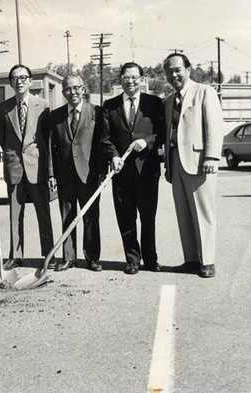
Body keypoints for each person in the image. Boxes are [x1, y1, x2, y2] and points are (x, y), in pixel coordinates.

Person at [163, 53, 223, 278]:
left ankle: (207, 261)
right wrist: (168, 165)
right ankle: (191, 259)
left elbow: (215, 126)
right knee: (184, 212)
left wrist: (211, 157)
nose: (173, 74)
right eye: (169, 71)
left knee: (203, 213)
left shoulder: (204, 92)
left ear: (188, 70)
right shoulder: (169, 101)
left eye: (178, 69)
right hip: (176, 162)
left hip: (199, 162)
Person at [101, 62, 165, 275]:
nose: (130, 81)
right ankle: (132, 260)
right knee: (126, 217)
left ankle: (151, 259)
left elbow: (162, 133)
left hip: (147, 170)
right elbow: (105, 138)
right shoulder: (109, 106)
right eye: (126, 77)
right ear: (120, 80)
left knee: (148, 217)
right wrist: (114, 156)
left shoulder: (155, 103)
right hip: (121, 173)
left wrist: (146, 141)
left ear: (142, 79)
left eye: (135, 77)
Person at [0, 64, 56, 270]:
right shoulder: (3, 108)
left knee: (43, 212)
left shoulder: (44, 105)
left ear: (31, 81)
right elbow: (3, 140)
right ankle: (15, 256)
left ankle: (49, 254)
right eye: (14, 78)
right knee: (15, 214)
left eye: (23, 77)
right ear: (11, 82)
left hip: (37, 167)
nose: (19, 81)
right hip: (14, 168)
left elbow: (47, 141)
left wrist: (49, 172)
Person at [50, 74, 107, 272]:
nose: (72, 92)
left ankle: (92, 257)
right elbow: (51, 147)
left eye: (76, 88)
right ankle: (69, 257)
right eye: (67, 89)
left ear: (83, 89)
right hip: (64, 174)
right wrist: (51, 174)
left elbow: (102, 145)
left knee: (91, 217)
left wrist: (101, 174)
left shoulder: (96, 113)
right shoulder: (55, 116)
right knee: (67, 216)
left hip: (89, 174)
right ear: (63, 91)